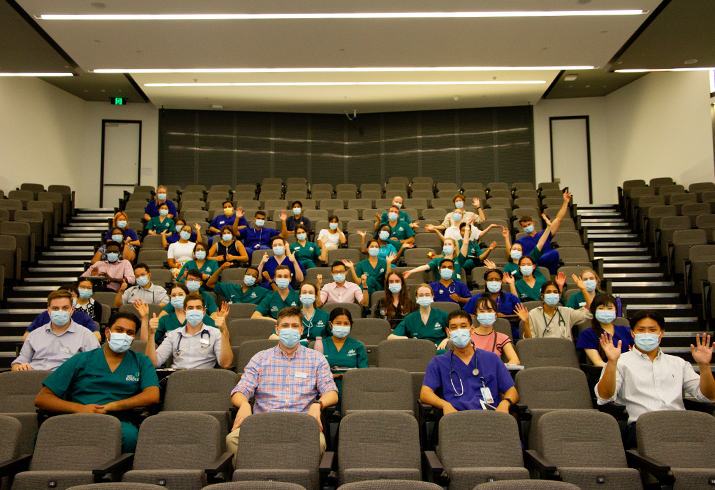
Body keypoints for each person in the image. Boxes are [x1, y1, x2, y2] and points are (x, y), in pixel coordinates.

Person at [35, 312, 161, 453]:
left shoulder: (141, 362)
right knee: (45, 434)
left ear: (133, 339)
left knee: (130, 437)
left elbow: (152, 395)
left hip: (118, 422)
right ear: (107, 332)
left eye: (129, 333)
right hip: (78, 418)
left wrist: (111, 406)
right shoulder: (81, 360)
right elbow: (43, 398)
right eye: (119, 330)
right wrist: (80, 409)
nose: (124, 335)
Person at [226, 306, 338, 461]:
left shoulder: (316, 359)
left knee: (318, 442)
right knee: (232, 440)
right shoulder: (260, 358)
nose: (290, 329)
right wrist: (244, 405)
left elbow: (331, 392)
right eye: (285, 326)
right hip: (264, 422)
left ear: (301, 330)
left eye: (295, 326)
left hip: (301, 424)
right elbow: (240, 390)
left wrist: (317, 404)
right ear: (277, 330)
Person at [595, 310, 715, 449]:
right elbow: (604, 397)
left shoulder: (678, 363)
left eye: (652, 330)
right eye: (641, 330)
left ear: (661, 333)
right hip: (643, 427)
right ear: (633, 333)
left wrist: (704, 366)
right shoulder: (620, 361)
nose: (647, 334)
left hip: (680, 425)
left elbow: (709, 396)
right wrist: (611, 362)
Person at [420, 310, 519, 413]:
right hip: (456, 418)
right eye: (454, 327)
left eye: (463, 326)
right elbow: (425, 393)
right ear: (448, 332)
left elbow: (512, 391)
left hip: (490, 418)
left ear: (472, 329)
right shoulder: (438, 362)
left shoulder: (491, 359)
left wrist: (505, 403)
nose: (459, 331)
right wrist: (445, 405)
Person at [12, 290, 100, 371]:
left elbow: (96, 366)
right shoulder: (34, 335)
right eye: (55, 308)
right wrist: (19, 367)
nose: (60, 312)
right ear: (49, 311)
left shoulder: (86, 335)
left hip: (68, 382)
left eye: (65, 308)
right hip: (35, 380)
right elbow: (17, 364)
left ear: (72, 310)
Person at [146, 294, 232, 369]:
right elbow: (153, 362)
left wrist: (224, 332)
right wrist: (151, 334)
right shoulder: (173, 335)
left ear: (204, 312)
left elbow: (225, 364)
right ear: (184, 312)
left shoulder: (215, 333)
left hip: (204, 379)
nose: (194, 311)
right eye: (190, 308)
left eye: (198, 308)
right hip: (178, 380)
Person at [316, 307, 369, 409]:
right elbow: (314, 373)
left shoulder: (358, 346)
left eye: (346, 324)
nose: (342, 326)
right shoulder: (321, 345)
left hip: (352, 388)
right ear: (330, 324)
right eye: (338, 323)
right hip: (325, 388)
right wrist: (337, 375)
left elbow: (364, 374)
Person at [515, 277, 593, 340]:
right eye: (548, 292)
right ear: (542, 296)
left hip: (564, 352)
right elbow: (529, 341)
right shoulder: (533, 313)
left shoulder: (567, 312)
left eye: (555, 292)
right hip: (542, 353)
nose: (552, 294)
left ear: (559, 296)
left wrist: (584, 290)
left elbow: (590, 314)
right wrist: (526, 323)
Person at [514, 190, 571, 275]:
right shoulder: (520, 241)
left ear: (533, 223)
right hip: (530, 269)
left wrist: (565, 202)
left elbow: (558, 219)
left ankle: (537, 264)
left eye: (529, 224)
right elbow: (513, 255)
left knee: (554, 253)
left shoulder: (545, 234)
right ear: (522, 228)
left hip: (548, 266)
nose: (527, 227)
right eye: (525, 226)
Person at [23, 286, 101, 343]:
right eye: (55, 308)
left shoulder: (82, 317)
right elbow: (26, 337)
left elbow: (97, 337)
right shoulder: (43, 316)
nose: (60, 311)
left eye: (71, 296)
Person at [576, 294, 633, 367]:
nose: (605, 311)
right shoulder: (586, 334)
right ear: (594, 310)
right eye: (601, 308)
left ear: (616, 310)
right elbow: (597, 362)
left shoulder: (626, 330)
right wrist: (617, 370)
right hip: (604, 373)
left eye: (609, 308)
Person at [463, 268, 522, 338]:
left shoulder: (511, 297)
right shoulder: (477, 297)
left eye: (497, 279)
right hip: (481, 329)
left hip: (509, 329)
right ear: (486, 282)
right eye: (490, 280)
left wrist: (503, 317)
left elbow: (521, 315)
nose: (494, 282)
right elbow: (465, 315)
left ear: (501, 282)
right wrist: (481, 316)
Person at [389, 283, 449, 349]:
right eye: (421, 295)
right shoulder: (410, 319)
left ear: (432, 297)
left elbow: (455, 333)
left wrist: (447, 340)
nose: (424, 297)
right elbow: (390, 337)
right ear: (416, 298)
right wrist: (407, 339)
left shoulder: (442, 315)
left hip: (438, 351)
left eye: (427, 295)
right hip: (418, 352)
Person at [150, 283, 216, 343]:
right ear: (170, 298)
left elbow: (217, 336)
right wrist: (145, 318)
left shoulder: (199, 315)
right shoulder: (165, 319)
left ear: (187, 296)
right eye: (173, 295)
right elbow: (148, 341)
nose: (177, 297)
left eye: (181, 295)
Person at [508, 222, 556, 301]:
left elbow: (540, 244)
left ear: (534, 266)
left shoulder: (530, 258)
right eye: (523, 265)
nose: (526, 266)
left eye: (528, 264)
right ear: (519, 267)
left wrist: (548, 228)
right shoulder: (517, 284)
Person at [468, 296, 519, 364]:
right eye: (482, 311)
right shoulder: (467, 335)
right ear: (476, 315)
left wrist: (499, 371)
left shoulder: (502, 337)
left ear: (495, 314)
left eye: (489, 311)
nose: (486, 314)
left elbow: (515, 361)